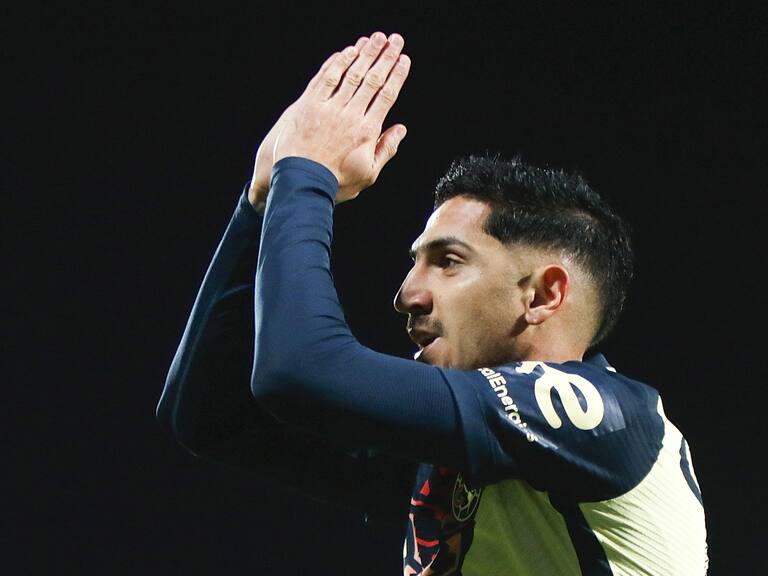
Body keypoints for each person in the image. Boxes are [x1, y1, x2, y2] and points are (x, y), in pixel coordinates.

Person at [156, 31, 708, 575]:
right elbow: (209, 418)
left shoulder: (604, 418)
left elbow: (300, 372)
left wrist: (306, 174)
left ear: (542, 295)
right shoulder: (463, 458)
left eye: (448, 261)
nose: (406, 295)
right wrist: (259, 203)